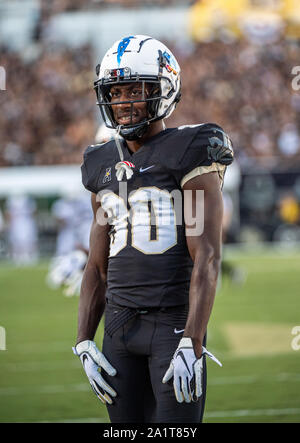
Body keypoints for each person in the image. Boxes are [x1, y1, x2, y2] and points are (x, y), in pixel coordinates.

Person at [73, 35, 233, 423]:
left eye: (134, 90)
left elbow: (207, 256)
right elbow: (97, 266)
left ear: (163, 90)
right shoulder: (100, 163)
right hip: (118, 328)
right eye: (115, 92)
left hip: (172, 325)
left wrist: (192, 340)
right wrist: (82, 340)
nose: (123, 102)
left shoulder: (190, 147)